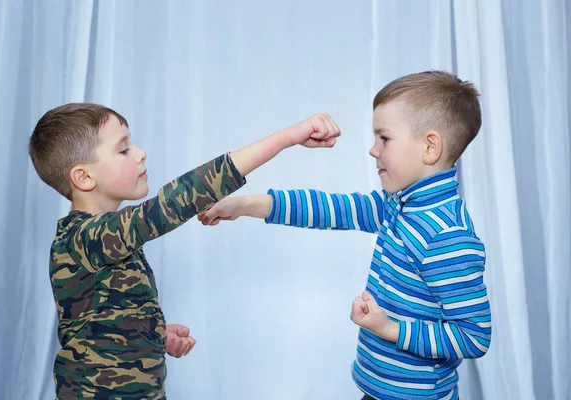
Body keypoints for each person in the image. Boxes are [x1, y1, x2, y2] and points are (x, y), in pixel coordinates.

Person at [198, 71, 492, 399]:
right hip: (377, 390)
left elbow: (474, 337)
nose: (373, 149)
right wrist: (243, 205)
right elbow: (330, 209)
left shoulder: (446, 237)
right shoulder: (400, 208)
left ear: (430, 147)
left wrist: (389, 329)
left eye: (385, 138)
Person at [28, 103, 340, 399]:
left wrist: (152, 333)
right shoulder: (83, 238)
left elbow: (98, 318)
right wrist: (287, 137)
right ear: (84, 177)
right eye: (123, 149)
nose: (140, 154)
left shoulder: (108, 238)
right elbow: (175, 202)